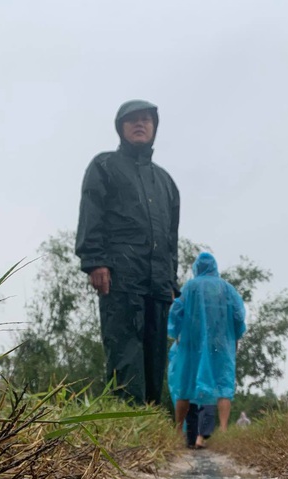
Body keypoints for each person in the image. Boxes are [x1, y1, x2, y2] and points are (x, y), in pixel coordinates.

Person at [75, 100, 180, 405]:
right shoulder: (104, 166)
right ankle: (127, 425)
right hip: (119, 278)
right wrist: (95, 260)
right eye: (132, 120)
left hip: (158, 282)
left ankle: (149, 425)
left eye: (146, 120)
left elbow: (171, 237)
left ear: (154, 128)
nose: (140, 124)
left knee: (155, 356)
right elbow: (91, 213)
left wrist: (171, 282)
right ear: (120, 128)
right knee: (125, 353)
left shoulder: (166, 182)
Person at [168, 252, 246, 435]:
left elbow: (176, 311)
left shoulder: (190, 287)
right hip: (220, 344)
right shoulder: (227, 289)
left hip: (192, 344)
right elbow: (238, 315)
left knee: (185, 384)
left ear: (196, 268)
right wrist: (235, 337)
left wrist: (176, 332)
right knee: (223, 383)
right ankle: (224, 429)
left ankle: (178, 430)